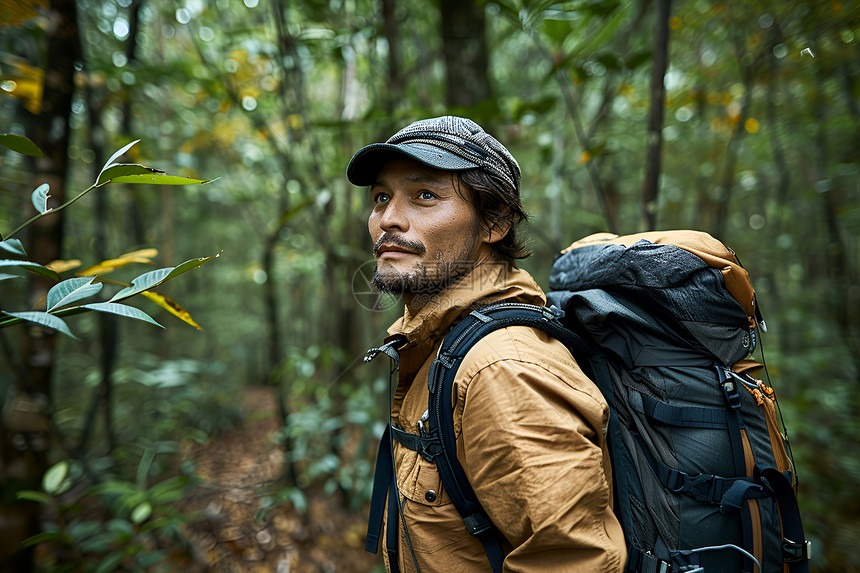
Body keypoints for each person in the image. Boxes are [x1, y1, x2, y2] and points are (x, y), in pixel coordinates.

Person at [346, 116, 626, 572]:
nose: (388, 220)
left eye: (425, 195)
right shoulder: (443, 345)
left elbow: (575, 560)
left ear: (493, 221)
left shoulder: (502, 367)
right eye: (381, 197)